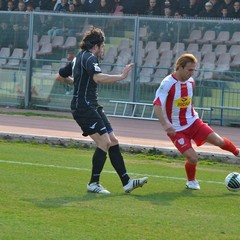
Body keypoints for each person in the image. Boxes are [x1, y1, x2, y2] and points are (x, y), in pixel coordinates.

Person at [56, 27, 148, 194]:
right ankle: (93, 183)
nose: (102, 49)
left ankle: (127, 182)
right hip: (84, 107)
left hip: (93, 106)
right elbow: (97, 78)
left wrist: (75, 83)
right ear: (97, 46)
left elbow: (60, 76)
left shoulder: (78, 57)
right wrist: (121, 76)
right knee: (104, 142)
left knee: (113, 141)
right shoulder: (90, 58)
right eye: (102, 46)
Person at [153, 53, 240, 190]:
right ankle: (191, 182)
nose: (192, 73)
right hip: (177, 129)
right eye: (190, 69)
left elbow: (187, 102)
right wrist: (165, 124)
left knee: (220, 142)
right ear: (180, 68)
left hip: (194, 122)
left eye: (194, 70)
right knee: (193, 158)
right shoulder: (167, 83)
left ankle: (237, 153)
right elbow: (157, 104)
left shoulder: (191, 82)